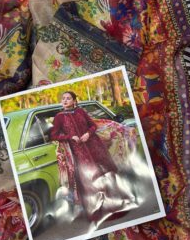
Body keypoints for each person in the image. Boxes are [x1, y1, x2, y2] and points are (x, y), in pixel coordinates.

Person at [49, 91, 130, 223]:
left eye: (68, 98)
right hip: (79, 151)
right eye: (63, 98)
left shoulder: (80, 111)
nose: (65, 100)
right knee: (89, 179)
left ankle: (114, 206)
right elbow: (53, 135)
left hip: (95, 147)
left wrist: (87, 134)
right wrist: (70, 137)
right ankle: (98, 211)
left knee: (106, 175)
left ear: (74, 101)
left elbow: (93, 125)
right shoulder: (59, 117)